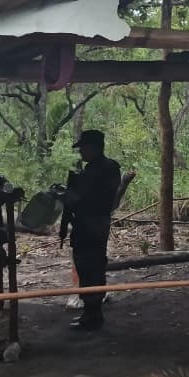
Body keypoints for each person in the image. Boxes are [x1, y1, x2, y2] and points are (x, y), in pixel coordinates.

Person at [59, 130, 131, 331]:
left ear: (94, 148)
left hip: (94, 224)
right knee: (84, 267)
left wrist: (73, 198)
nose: (81, 152)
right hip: (84, 225)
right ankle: (90, 313)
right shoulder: (91, 170)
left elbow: (99, 200)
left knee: (92, 267)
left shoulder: (106, 169)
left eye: (84, 148)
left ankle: (93, 313)